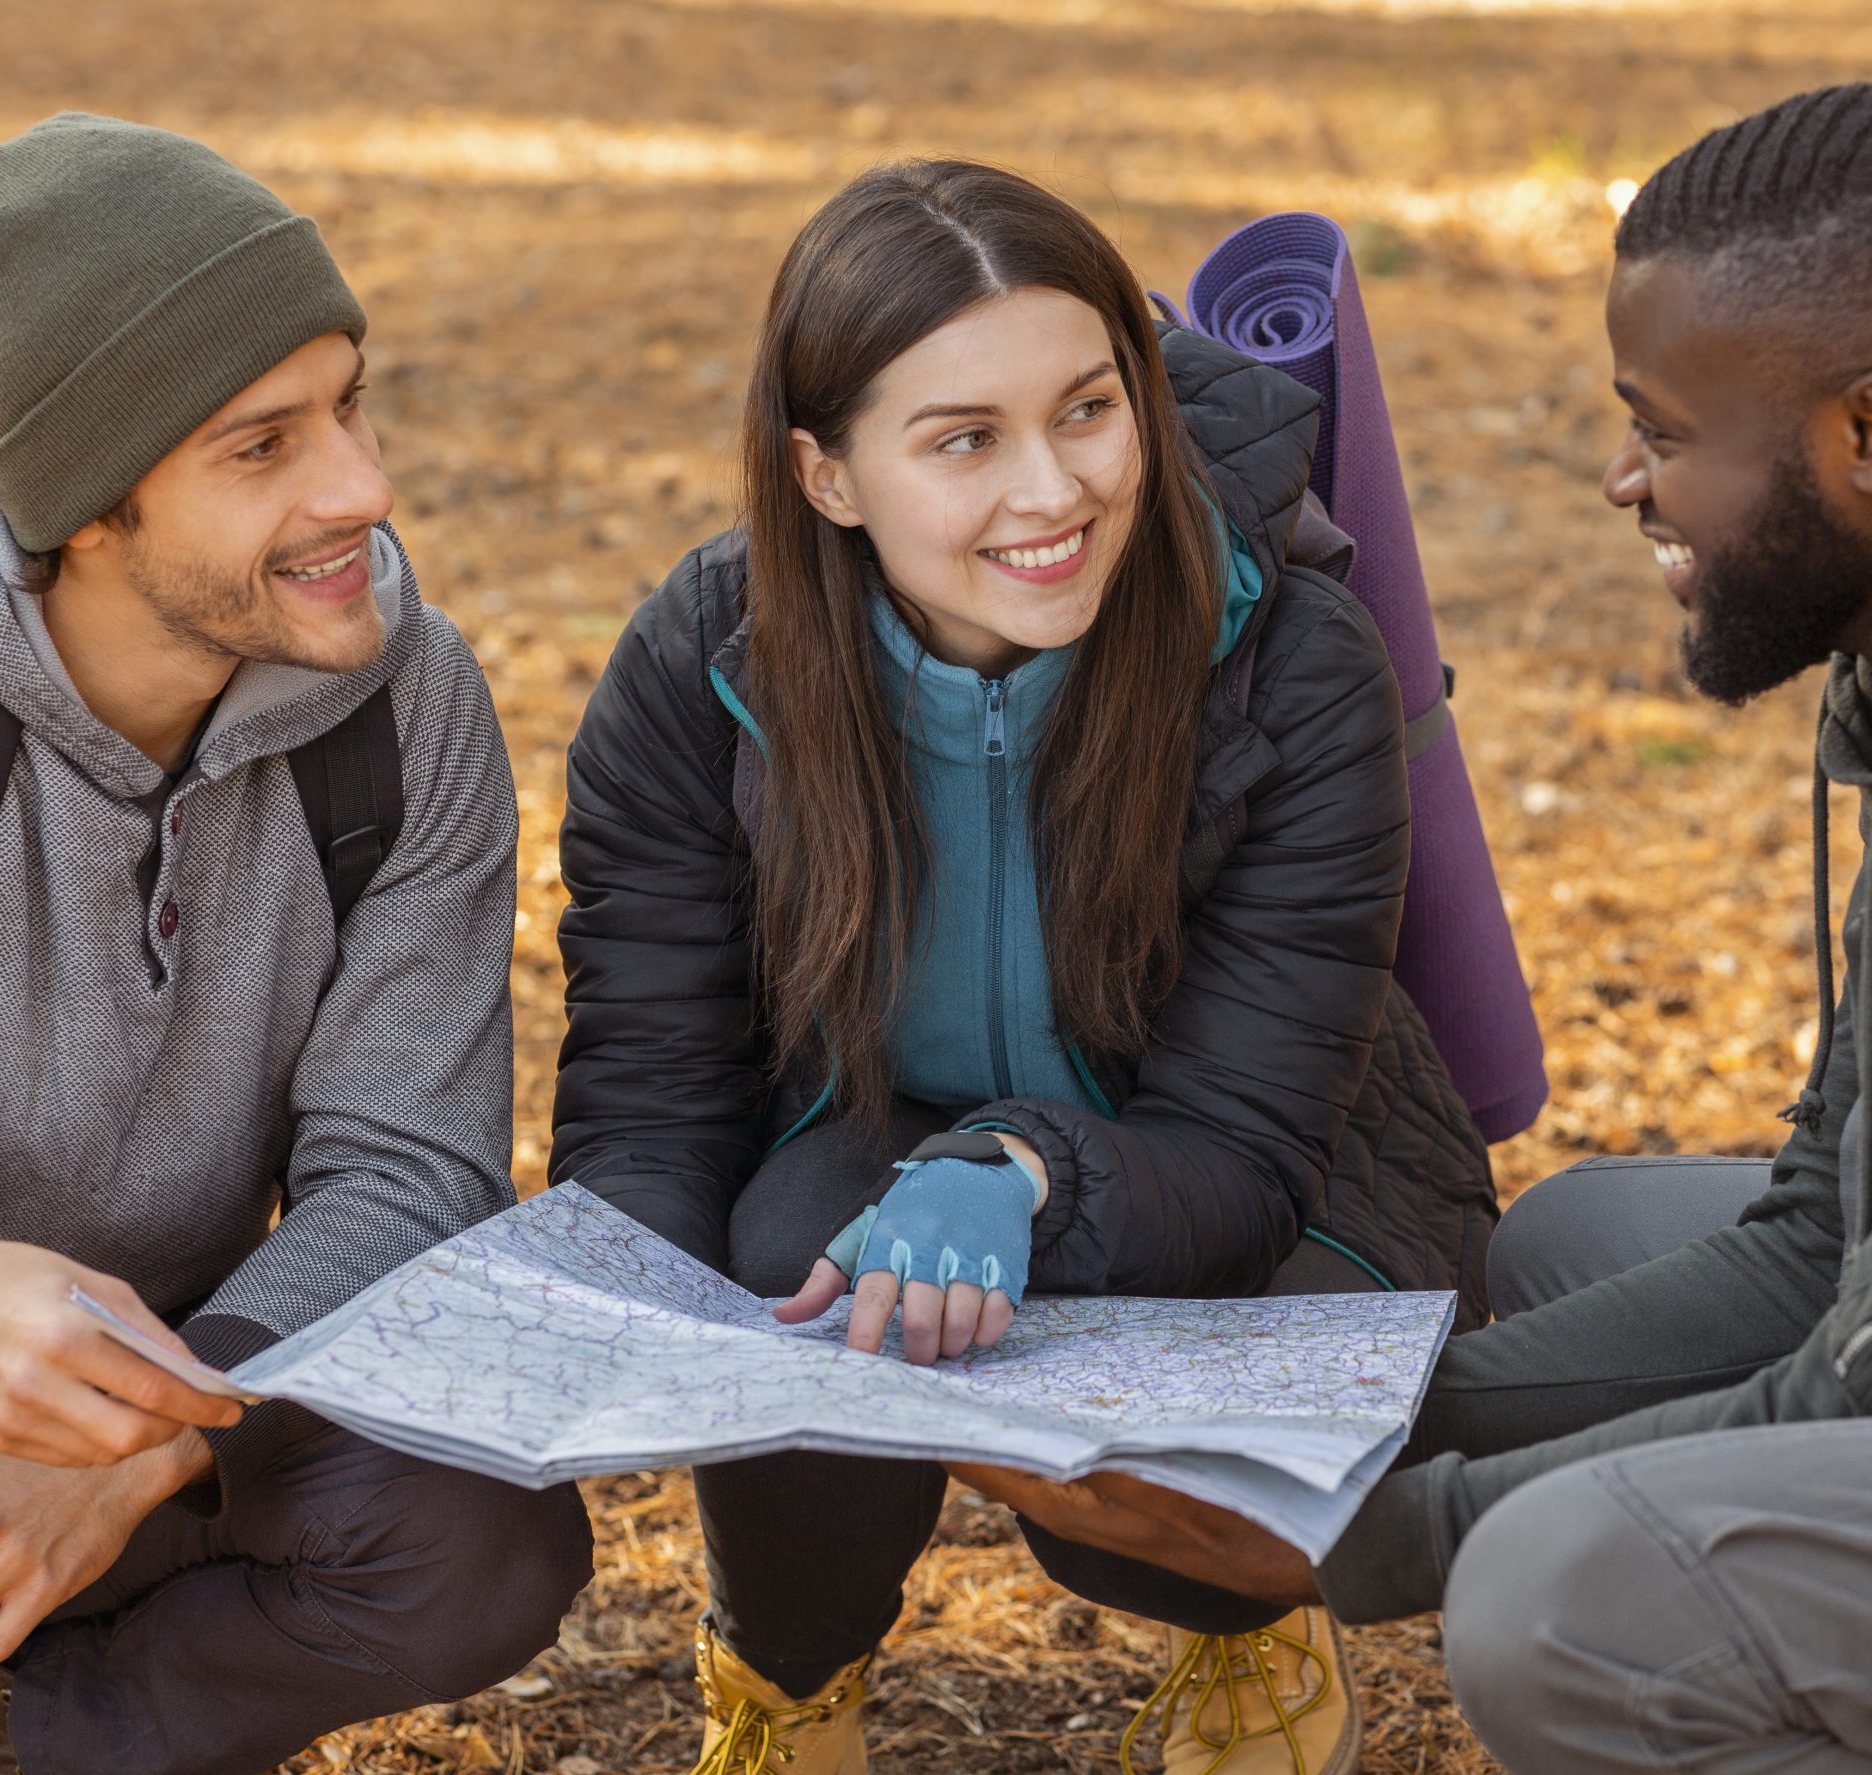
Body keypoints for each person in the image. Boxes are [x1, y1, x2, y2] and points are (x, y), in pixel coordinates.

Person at [951, 82, 1872, 1774]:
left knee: (1575, 1602)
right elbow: (1831, 1233)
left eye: (1661, 428)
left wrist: (1358, 1534)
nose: (1622, 480)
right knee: (1566, 1245)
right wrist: (1292, 1426)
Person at [551, 158, 1497, 1775]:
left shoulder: (1293, 659)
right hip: (865, 1133)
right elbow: (653, 1085)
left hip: (1271, 1163)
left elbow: (1248, 1143)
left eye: (1088, 410)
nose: (1054, 492)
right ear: (828, 476)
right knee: (795, 1260)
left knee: (1190, 1479)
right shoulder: (703, 666)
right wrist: (619, 1316)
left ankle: (1250, 1632)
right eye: (963, 441)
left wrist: (1015, 1172)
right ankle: (787, 1683)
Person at [0, 114, 591, 1775]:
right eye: (263, 448)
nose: (364, 490)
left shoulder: (408, 705)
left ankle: (45, 1732)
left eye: (351, 401)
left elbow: (410, 1172)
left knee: (481, 1533)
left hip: (187, 1362)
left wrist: (141, 1445)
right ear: (88, 506)